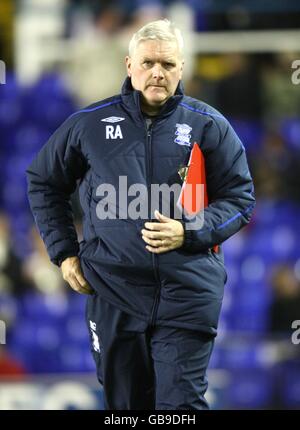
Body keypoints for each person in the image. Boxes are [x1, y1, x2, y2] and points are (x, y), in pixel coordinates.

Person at [26, 19, 255, 410]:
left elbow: (240, 199)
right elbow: (44, 182)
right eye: (149, 63)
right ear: (129, 64)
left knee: (180, 408)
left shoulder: (210, 125)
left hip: (187, 292)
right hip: (112, 291)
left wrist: (188, 232)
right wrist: (64, 254)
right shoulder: (88, 124)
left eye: (168, 65)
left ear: (182, 69)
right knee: (126, 408)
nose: (157, 72)